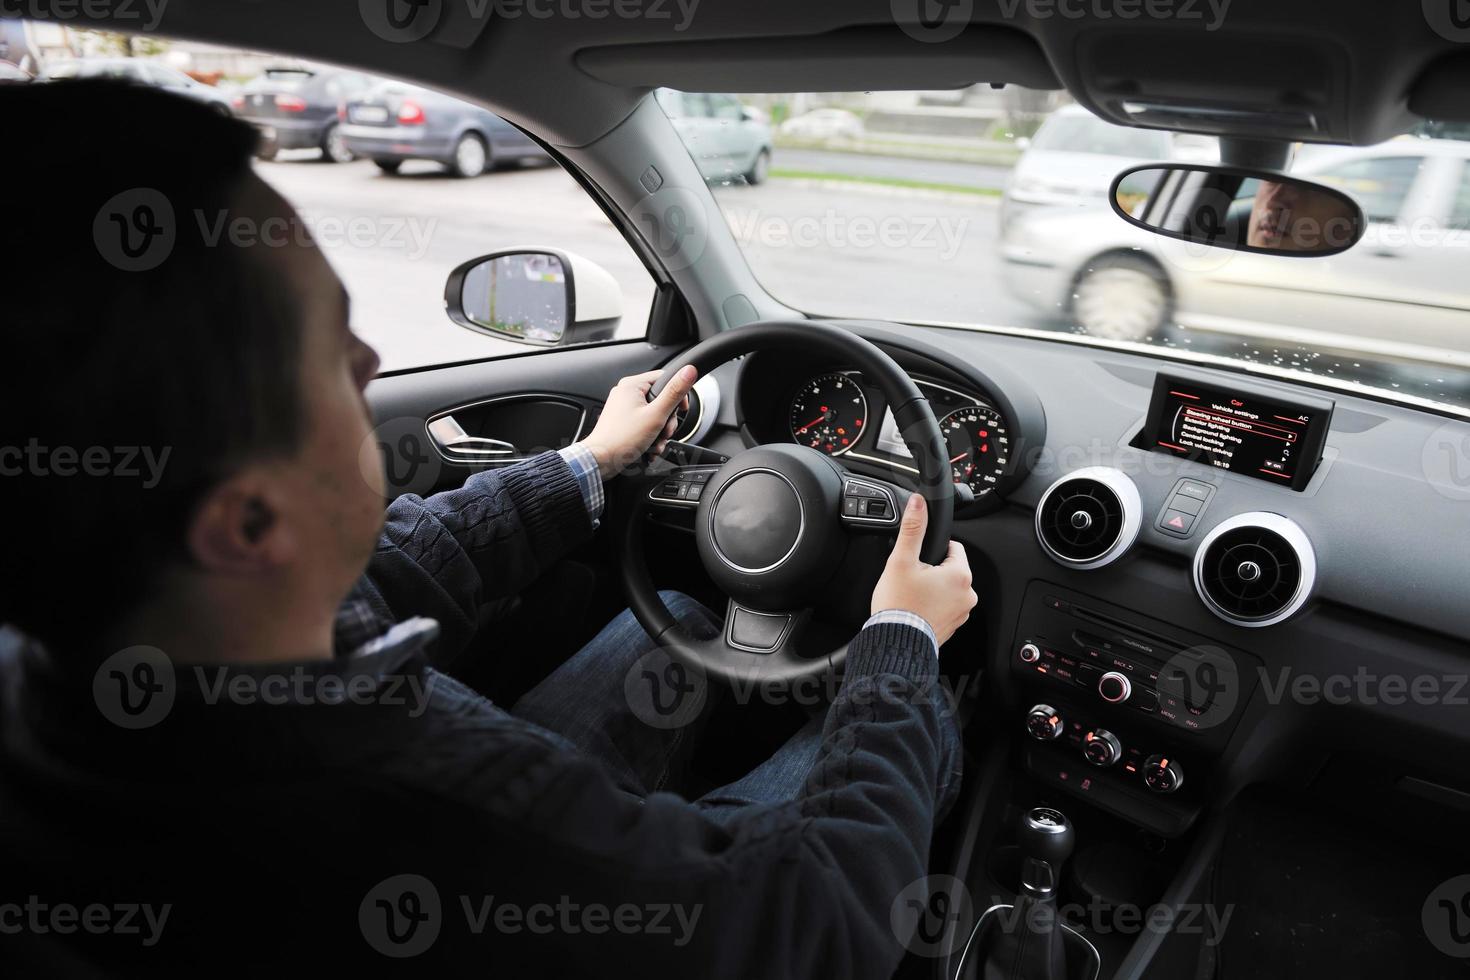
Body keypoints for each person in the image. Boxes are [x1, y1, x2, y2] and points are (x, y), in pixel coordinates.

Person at [0, 82, 977, 976]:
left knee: (669, 616)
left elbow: (394, 567)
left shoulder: (86, 662)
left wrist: (588, 463)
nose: (371, 356)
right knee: (917, 716)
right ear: (249, 522)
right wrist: (896, 645)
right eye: (337, 352)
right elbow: (813, 925)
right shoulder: (440, 820)